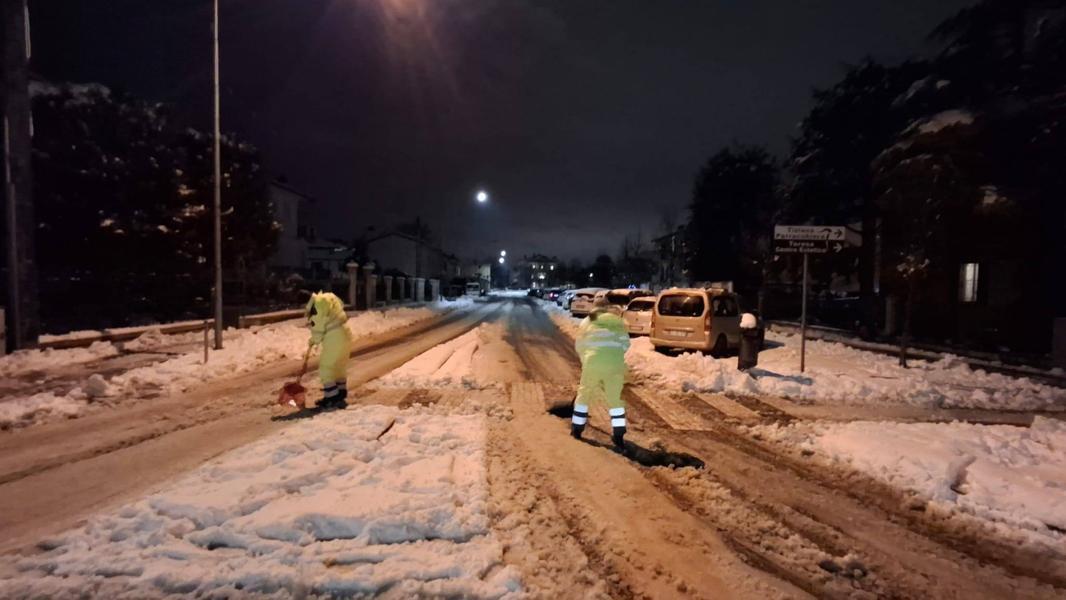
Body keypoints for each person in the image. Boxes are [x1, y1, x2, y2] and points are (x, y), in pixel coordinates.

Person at [571, 296, 631, 452]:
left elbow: (580, 345)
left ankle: (577, 429)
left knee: (584, 394)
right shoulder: (618, 322)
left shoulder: (587, 321)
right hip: (615, 365)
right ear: (606, 308)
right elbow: (626, 344)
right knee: (614, 399)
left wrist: (587, 359)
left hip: (593, 362)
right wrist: (614, 355)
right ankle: (618, 434)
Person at [305, 291, 353, 410]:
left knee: (326, 367)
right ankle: (341, 393)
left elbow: (318, 327)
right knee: (338, 366)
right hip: (345, 333)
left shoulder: (316, 307)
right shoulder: (327, 300)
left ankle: (331, 397)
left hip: (334, 337)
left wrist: (313, 340)